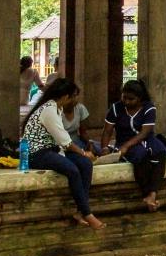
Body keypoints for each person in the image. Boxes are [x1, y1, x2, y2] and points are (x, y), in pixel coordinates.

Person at [22, 77, 105, 230]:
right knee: (72, 170)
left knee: (85, 164)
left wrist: (83, 156)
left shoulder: (57, 109)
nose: (76, 100)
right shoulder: (49, 110)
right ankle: (88, 213)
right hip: (36, 153)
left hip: (52, 150)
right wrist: (84, 152)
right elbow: (65, 141)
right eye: (74, 96)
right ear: (66, 97)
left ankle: (81, 211)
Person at [106, 78, 166, 212]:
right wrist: (105, 148)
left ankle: (152, 194)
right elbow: (107, 131)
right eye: (124, 97)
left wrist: (127, 146)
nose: (126, 101)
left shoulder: (149, 108)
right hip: (124, 140)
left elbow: (145, 132)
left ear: (140, 99)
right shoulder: (116, 108)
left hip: (146, 139)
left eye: (131, 99)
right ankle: (147, 193)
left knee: (161, 152)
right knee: (140, 156)